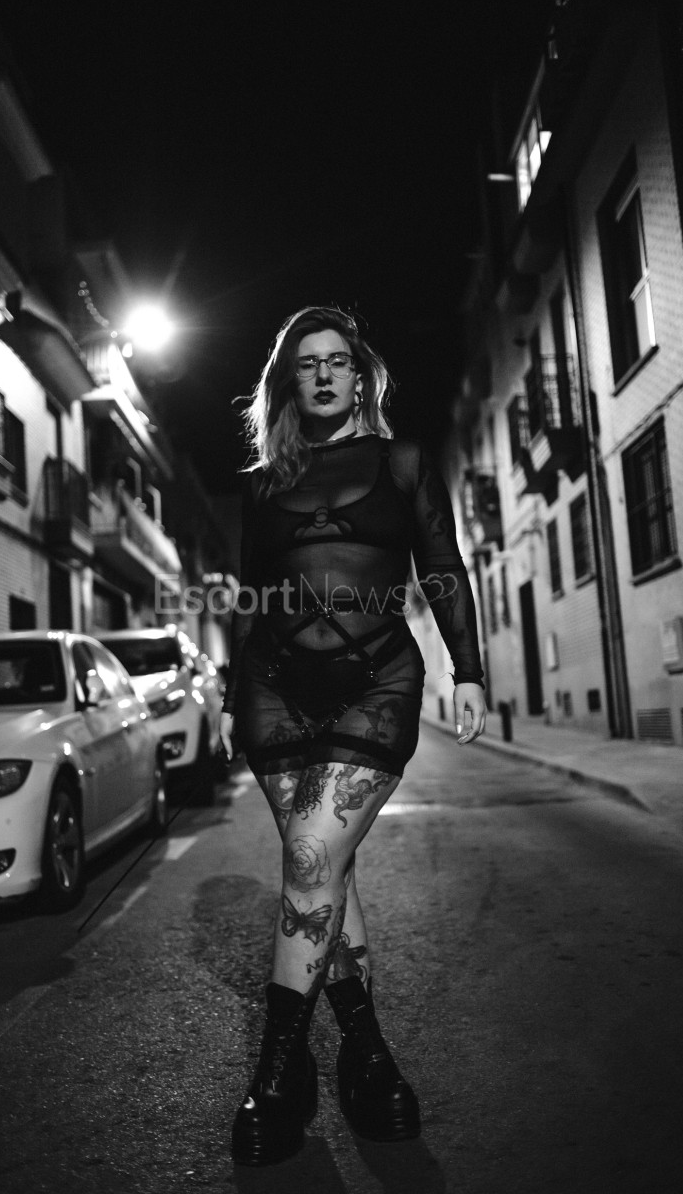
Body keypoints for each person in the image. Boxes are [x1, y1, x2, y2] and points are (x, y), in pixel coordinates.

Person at [219, 306, 486, 1167]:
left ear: (361, 374)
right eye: (308, 364)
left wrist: (468, 668)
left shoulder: (402, 462)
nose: (325, 375)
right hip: (274, 691)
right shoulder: (262, 482)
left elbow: (440, 567)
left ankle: (277, 1073)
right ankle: (368, 1059)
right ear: (288, 383)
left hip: (377, 683)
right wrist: (230, 695)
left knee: (310, 859)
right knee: (327, 870)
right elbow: (248, 595)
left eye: (338, 361)